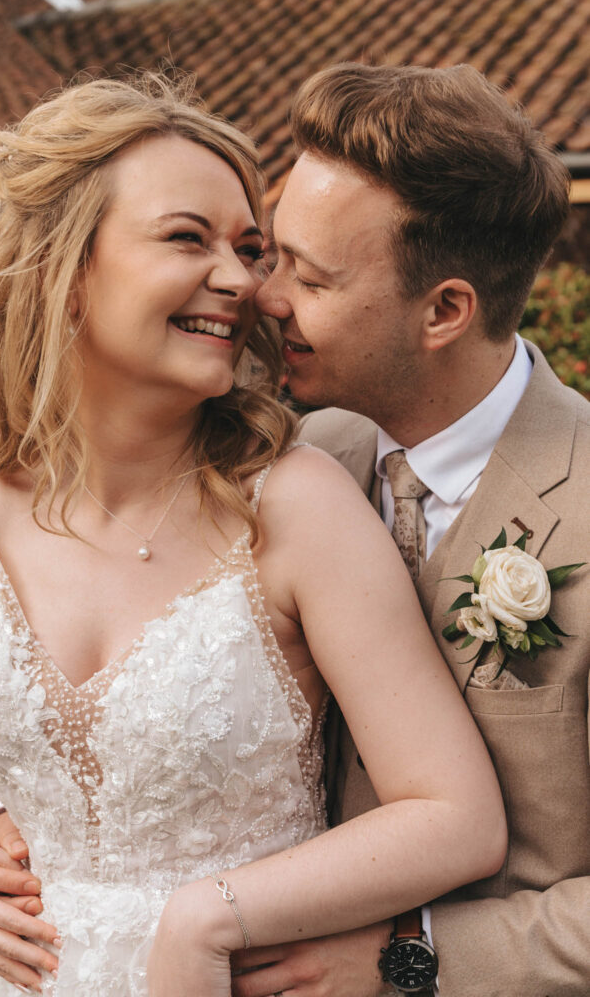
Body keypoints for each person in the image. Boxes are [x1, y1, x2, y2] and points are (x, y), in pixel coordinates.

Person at [0, 73, 506, 996]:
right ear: (67, 268)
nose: (242, 281)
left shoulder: (293, 503)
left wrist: (209, 913)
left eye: (249, 247)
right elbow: (7, 738)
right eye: (188, 238)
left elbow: (454, 814)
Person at [226, 63, 589, 996]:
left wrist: (412, 959)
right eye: (273, 255)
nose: (263, 296)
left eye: (307, 275)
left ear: (444, 310)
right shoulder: (310, 454)